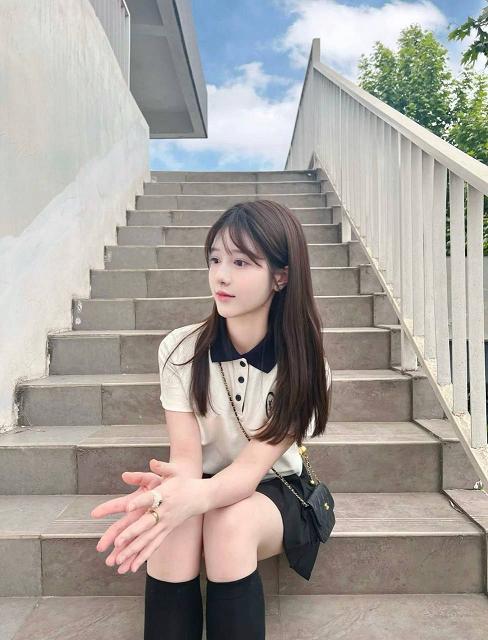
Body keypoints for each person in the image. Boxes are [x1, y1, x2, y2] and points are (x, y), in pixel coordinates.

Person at [90, 199, 333, 639]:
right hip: (205, 477)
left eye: (241, 262)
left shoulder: (306, 365)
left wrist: (186, 499)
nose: (221, 275)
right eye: (216, 259)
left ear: (280, 276)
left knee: (228, 524)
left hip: (275, 487)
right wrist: (168, 495)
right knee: (173, 524)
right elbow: (186, 457)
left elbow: (248, 473)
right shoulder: (180, 350)